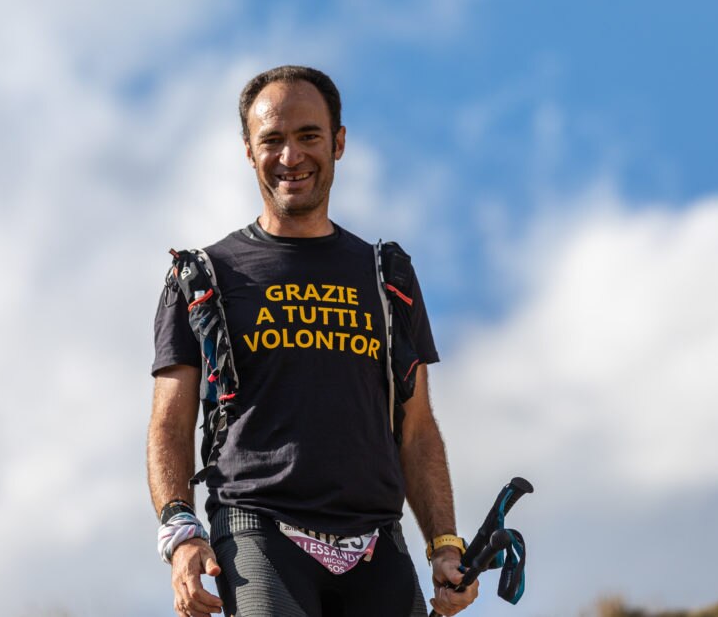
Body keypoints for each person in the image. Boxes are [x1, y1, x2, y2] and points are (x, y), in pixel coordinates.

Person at [147, 65, 479, 617]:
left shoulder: (386, 277)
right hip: (259, 532)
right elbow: (169, 423)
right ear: (249, 152)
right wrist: (181, 534)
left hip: (378, 542)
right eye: (271, 140)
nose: (290, 156)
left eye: (308, 136)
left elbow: (416, 428)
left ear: (339, 143)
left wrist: (445, 545)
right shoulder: (204, 277)